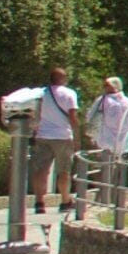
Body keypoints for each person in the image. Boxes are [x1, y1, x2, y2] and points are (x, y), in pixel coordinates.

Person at [21, 64, 84, 212]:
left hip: (43, 135)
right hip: (63, 136)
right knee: (64, 171)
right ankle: (65, 201)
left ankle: (39, 202)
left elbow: (33, 113)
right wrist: (77, 139)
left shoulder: (41, 93)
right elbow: (73, 117)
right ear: (63, 79)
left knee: (41, 171)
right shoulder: (69, 94)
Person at [87, 74, 128, 208]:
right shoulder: (127, 101)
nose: (105, 88)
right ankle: (108, 200)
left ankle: (107, 200)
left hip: (109, 141)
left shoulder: (105, 101)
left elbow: (90, 117)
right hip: (116, 142)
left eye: (107, 85)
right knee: (110, 172)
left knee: (109, 172)